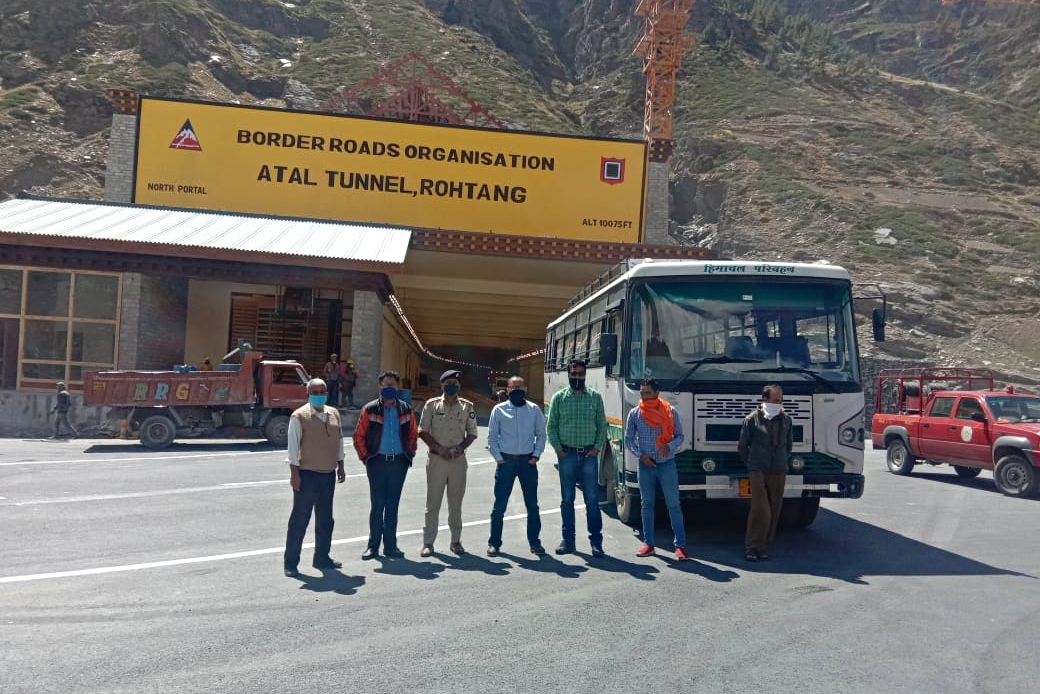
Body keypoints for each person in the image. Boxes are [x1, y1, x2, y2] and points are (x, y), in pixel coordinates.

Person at [283, 377, 346, 577]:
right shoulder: (299, 416)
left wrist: (341, 466)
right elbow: (293, 449)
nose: (319, 395)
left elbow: (340, 441)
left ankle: (322, 557)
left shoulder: (334, 413)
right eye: (315, 392)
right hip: (307, 475)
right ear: (308, 394)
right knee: (300, 520)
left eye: (323, 392)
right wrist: (294, 475)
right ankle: (291, 563)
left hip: (327, 474)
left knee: (326, 520)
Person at [353, 370, 418, 559]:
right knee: (377, 504)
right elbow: (358, 436)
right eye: (386, 384)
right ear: (379, 387)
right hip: (377, 462)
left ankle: (391, 546)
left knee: (392, 505)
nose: (389, 387)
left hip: (398, 462)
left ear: (397, 387)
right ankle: (373, 546)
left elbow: (413, 434)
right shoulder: (370, 409)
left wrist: (409, 454)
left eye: (392, 385)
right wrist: (367, 458)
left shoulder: (405, 409)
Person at [546, 359, 607, 557]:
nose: (577, 378)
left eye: (580, 374)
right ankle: (568, 541)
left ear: (585, 375)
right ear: (569, 375)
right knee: (567, 499)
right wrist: (559, 450)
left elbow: (602, 425)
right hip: (567, 455)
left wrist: (597, 449)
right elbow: (551, 426)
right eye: (573, 374)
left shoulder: (595, 398)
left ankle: (596, 542)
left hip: (589, 455)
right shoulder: (559, 398)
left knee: (592, 500)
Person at [624, 378, 688, 561]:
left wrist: (670, 446)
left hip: (666, 464)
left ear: (657, 393)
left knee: (673, 504)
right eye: (642, 393)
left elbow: (680, 436)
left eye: (647, 393)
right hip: (645, 466)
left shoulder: (670, 412)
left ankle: (680, 546)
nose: (644, 397)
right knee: (646, 505)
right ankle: (649, 544)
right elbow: (628, 439)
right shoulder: (635, 414)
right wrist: (640, 455)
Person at [418, 369, 478, 557]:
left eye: (456, 383)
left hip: (458, 461)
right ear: (442, 384)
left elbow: (472, 432)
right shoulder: (431, 405)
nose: (453, 385)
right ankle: (428, 542)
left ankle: (456, 541)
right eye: (449, 382)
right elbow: (422, 431)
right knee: (433, 503)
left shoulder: (467, 406)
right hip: (437, 459)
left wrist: (460, 448)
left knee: (456, 503)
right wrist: (439, 449)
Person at [487, 375, 547, 556]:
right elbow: (492, 437)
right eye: (514, 387)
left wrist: (536, 456)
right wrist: (499, 458)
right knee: (499, 506)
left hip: (527, 463)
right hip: (506, 462)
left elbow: (541, 434)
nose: (517, 390)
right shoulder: (498, 410)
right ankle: (494, 543)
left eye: (520, 386)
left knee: (532, 505)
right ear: (507, 390)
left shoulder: (534, 410)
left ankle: (535, 543)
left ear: (526, 389)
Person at [738, 384, 793, 562]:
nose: (779, 403)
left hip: (778, 468)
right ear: (765, 399)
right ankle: (751, 547)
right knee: (760, 507)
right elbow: (742, 446)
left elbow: (789, 445)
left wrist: (782, 459)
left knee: (775, 507)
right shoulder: (752, 419)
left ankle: (764, 546)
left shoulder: (786, 420)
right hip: (758, 469)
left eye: (781, 400)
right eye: (776, 400)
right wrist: (753, 464)